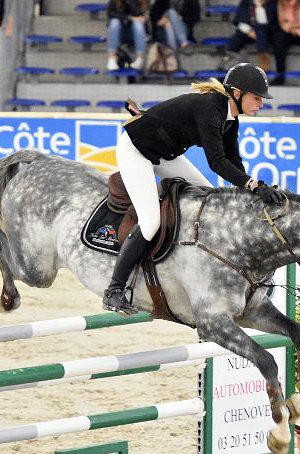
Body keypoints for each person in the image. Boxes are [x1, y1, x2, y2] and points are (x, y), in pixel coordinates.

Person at [103, 63, 281, 314]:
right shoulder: (211, 109)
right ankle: (114, 290)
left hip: (165, 154)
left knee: (210, 199)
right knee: (151, 221)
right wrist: (253, 185)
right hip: (137, 150)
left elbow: (234, 162)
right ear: (237, 94)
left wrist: (251, 189)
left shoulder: (231, 117)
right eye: (257, 98)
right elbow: (217, 162)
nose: (261, 103)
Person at [219, 0, 276, 72]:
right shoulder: (246, 2)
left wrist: (259, 7)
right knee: (237, 38)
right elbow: (240, 20)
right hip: (250, 31)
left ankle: (264, 66)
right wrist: (248, 31)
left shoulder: (273, 3)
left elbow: (269, 22)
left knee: (262, 34)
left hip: (268, 33)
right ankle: (226, 63)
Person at [107, 0, 149, 71]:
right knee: (114, 22)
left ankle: (140, 58)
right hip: (119, 33)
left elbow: (139, 14)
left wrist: (130, 2)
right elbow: (111, 14)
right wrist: (129, 18)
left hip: (135, 34)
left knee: (138, 24)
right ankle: (112, 58)